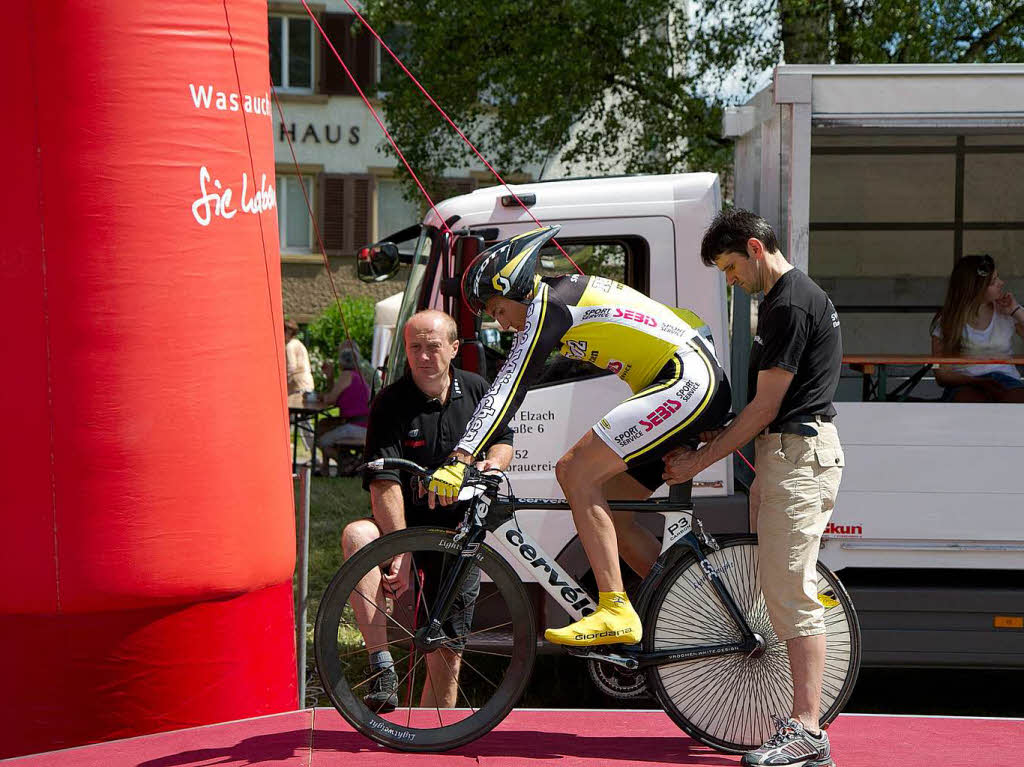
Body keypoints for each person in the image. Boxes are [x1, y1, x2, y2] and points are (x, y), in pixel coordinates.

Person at [426, 225, 732, 648]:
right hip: (692, 380)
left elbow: (506, 388)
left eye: (498, 310)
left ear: (514, 288)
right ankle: (696, 609)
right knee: (616, 516)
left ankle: (614, 609)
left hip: (684, 381)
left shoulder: (546, 306)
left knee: (574, 471)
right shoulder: (566, 295)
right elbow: (691, 323)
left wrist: (460, 456)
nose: (502, 323)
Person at [662, 208, 843, 767]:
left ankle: (809, 732)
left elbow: (767, 406)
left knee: (791, 592)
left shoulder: (787, 303)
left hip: (797, 453)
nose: (729, 279)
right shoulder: (790, 297)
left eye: (730, 266)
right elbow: (773, 404)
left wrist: (699, 460)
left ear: (754, 248)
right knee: (779, 589)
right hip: (786, 452)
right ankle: (800, 721)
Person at [342, 310, 514, 712]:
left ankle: (430, 732)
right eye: (414, 347)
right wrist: (401, 551)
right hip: (403, 523)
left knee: (446, 651)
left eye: (432, 346)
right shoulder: (390, 402)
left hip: (458, 531)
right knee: (356, 536)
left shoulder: (477, 390)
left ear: (454, 348)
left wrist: (493, 464)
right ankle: (381, 663)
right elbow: (384, 484)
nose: (423, 356)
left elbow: (502, 439)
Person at [930, 254, 1024, 403]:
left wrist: (1016, 310)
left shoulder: (1005, 310)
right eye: (993, 281)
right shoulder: (948, 320)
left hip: (1007, 381)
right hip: (965, 383)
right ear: (975, 288)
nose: (1001, 283)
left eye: (998, 277)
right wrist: (976, 382)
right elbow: (941, 374)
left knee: (1017, 404)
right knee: (969, 405)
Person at [316, 340, 371, 475]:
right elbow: (335, 396)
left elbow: (330, 399)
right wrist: (330, 379)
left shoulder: (346, 375)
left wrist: (319, 396)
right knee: (323, 425)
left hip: (356, 426)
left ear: (342, 362)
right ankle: (327, 468)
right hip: (363, 424)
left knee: (322, 441)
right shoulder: (358, 376)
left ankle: (349, 464)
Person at [285, 319, 314, 395]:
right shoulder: (299, 344)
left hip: (298, 385)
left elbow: (291, 367)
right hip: (308, 382)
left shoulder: (290, 346)